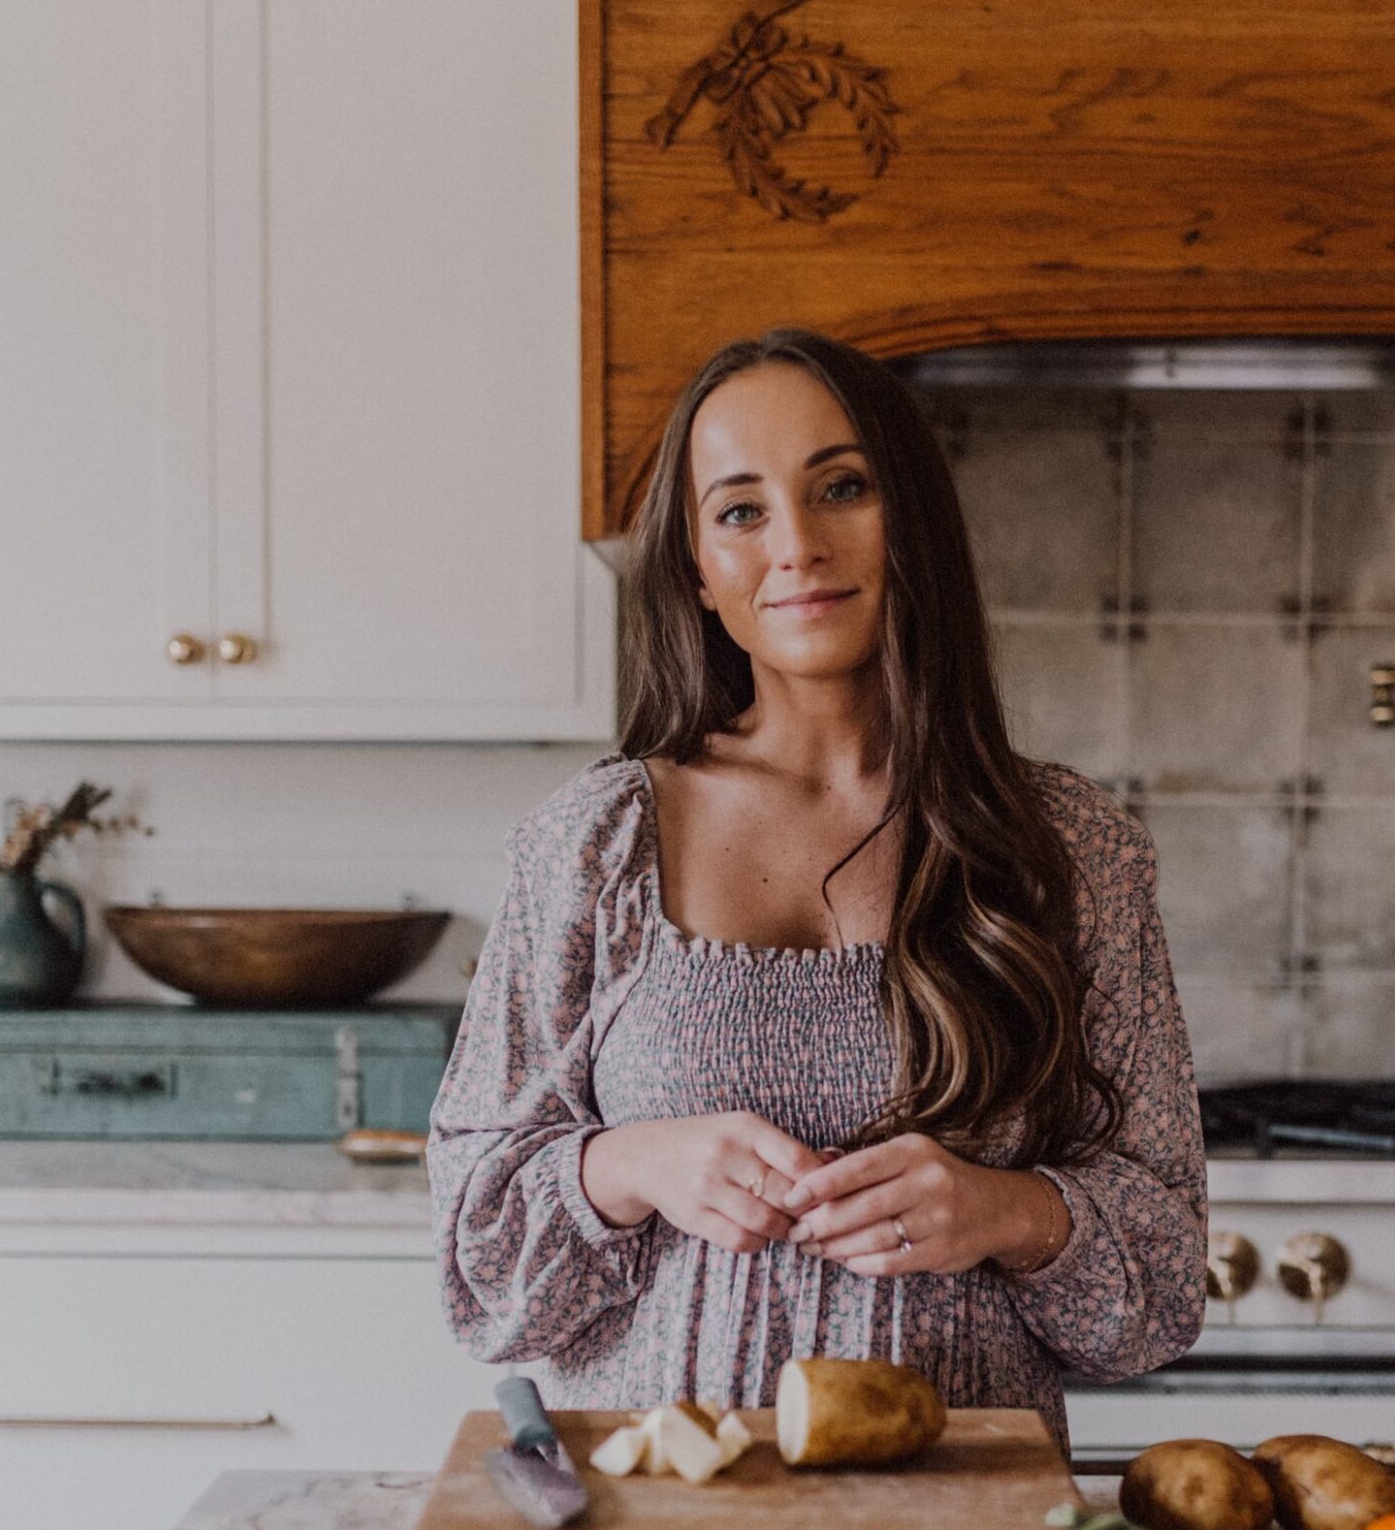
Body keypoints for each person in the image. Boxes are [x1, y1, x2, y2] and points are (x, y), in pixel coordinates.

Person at [429, 328, 1206, 1448]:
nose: (796, 544)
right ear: (697, 569)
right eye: (740, 510)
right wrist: (629, 1163)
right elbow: (479, 1271)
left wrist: (1007, 1210)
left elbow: (1162, 1292)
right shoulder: (593, 846)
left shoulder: (1072, 852)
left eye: (841, 487)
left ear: (914, 522)